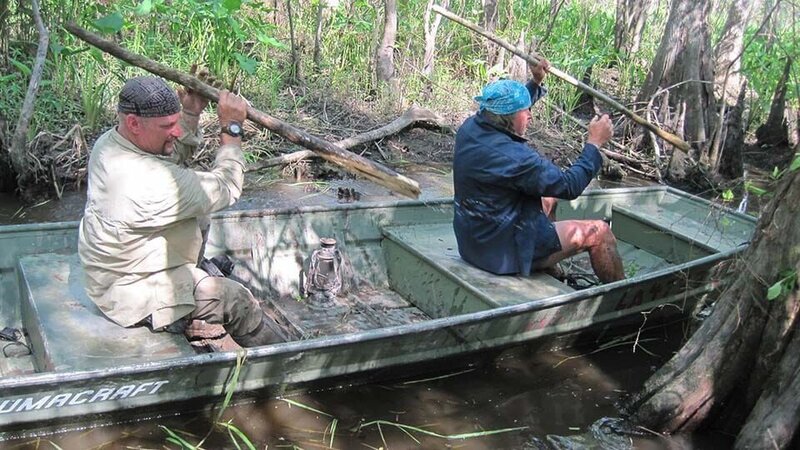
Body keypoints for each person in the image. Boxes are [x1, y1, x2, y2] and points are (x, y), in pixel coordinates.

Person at [78, 75, 288, 347]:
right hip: (130, 293)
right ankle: (283, 358)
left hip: (118, 270)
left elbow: (167, 156)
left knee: (197, 212)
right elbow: (228, 187)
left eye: (176, 122)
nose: (176, 132)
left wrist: (190, 112)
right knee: (238, 300)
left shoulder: (111, 143)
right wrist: (232, 129)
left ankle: (193, 301)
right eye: (167, 126)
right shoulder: (145, 182)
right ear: (133, 123)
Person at [452, 62, 625, 283]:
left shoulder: (470, 128)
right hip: (502, 256)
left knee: (548, 195)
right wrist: (594, 144)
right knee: (600, 232)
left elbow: (510, 110)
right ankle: (620, 293)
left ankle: (549, 261)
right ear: (510, 117)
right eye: (526, 111)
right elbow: (570, 185)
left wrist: (535, 83)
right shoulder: (517, 159)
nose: (530, 116)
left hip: (473, 242)